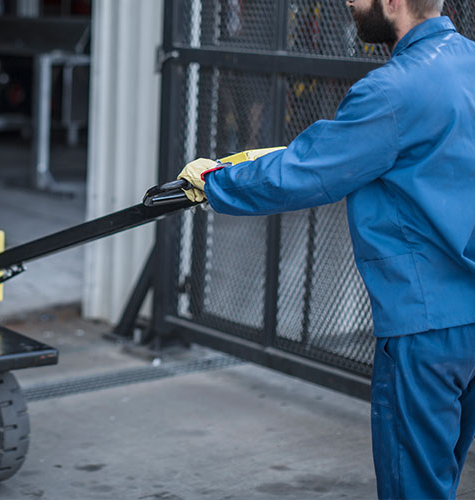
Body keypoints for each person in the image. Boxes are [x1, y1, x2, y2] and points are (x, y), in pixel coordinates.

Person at [177, 0, 475, 498]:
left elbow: (308, 171)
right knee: (445, 469)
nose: (350, 4)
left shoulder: (392, 91)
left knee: (417, 487)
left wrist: (215, 184)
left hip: (426, 326)